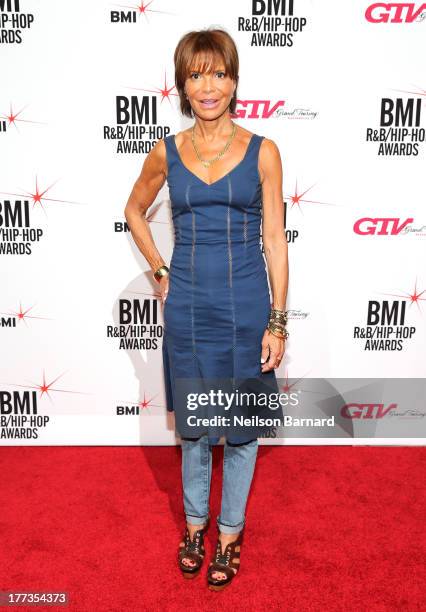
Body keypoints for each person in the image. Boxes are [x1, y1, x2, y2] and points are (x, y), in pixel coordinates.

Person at [124, 27, 288, 591]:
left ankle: (230, 534)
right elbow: (134, 210)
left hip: (247, 307)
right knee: (195, 431)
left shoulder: (264, 151)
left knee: (240, 432)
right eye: (196, 75)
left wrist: (278, 319)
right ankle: (194, 528)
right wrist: (160, 270)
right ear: (182, 86)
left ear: (235, 81)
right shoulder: (165, 152)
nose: (208, 85)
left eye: (218, 73)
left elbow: (275, 238)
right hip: (189, 307)